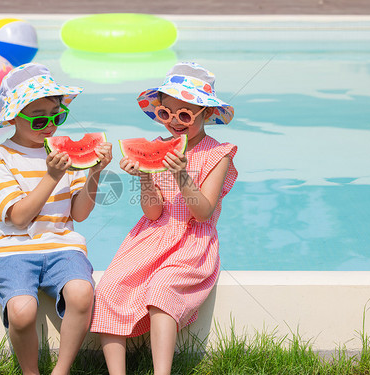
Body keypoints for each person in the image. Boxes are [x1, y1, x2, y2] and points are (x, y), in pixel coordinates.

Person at [90, 62, 238, 375]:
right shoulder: (155, 148)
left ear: (207, 114)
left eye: (185, 114)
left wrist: (181, 174)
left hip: (192, 243)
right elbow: (153, 212)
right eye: (166, 113)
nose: (174, 121)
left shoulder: (218, 154)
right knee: (107, 289)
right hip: (152, 236)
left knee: (162, 291)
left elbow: (203, 211)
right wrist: (145, 175)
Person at [0, 62, 112, 375]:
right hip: (15, 248)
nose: (51, 125)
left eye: (58, 116)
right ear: (14, 117)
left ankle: (61, 369)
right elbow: (18, 218)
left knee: (83, 293)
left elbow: (79, 214)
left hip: (64, 246)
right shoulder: (1, 157)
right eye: (40, 118)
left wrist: (94, 171)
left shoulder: (63, 153)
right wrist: (52, 176)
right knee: (22, 312)